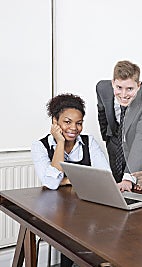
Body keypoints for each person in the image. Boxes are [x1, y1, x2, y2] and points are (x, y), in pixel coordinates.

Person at [31, 93, 110, 267]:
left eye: (79, 123)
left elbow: (104, 177)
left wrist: (65, 179)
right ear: (55, 122)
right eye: (67, 122)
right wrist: (59, 143)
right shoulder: (40, 146)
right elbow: (51, 184)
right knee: (71, 233)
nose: (74, 128)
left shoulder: (89, 142)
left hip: (88, 208)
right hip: (56, 212)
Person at [96, 60, 142, 187]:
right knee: (118, 187)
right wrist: (108, 138)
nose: (124, 94)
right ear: (112, 83)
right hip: (116, 145)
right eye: (119, 88)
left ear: (139, 85)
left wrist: (128, 177)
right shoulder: (102, 88)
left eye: (130, 89)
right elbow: (102, 112)